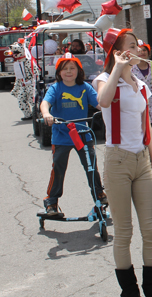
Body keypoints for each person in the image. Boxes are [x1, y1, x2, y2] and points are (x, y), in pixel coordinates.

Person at [92, 28, 152, 297]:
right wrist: (118, 68)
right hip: (118, 160)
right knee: (124, 231)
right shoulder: (104, 79)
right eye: (132, 46)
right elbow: (103, 101)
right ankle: (130, 291)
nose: (138, 50)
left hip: (141, 161)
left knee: (151, 228)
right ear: (117, 52)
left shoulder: (142, 86)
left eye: (138, 46)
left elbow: (146, 128)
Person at [40, 53, 107, 215]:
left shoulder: (84, 87)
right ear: (59, 72)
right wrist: (46, 114)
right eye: (65, 69)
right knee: (58, 169)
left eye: (72, 68)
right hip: (62, 136)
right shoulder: (55, 88)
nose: (69, 72)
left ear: (78, 71)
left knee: (91, 168)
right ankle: (51, 202)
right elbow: (45, 103)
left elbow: (99, 103)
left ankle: (99, 196)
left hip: (83, 135)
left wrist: (108, 110)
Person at [131, 40, 152, 135]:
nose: (142, 52)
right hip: (139, 110)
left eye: (144, 50)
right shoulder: (130, 70)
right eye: (139, 50)